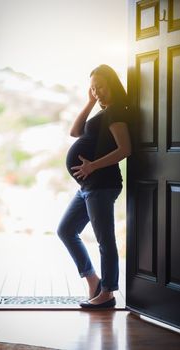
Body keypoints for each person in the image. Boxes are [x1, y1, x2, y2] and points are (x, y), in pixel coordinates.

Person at [57, 64, 131, 309]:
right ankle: (93, 280)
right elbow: (74, 131)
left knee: (105, 240)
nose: (97, 91)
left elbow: (124, 149)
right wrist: (89, 102)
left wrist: (93, 166)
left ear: (112, 83)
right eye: (93, 87)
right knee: (66, 230)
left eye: (100, 86)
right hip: (89, 186)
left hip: (102, 184)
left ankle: (107, 293)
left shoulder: (116, 113)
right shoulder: (104, 111)